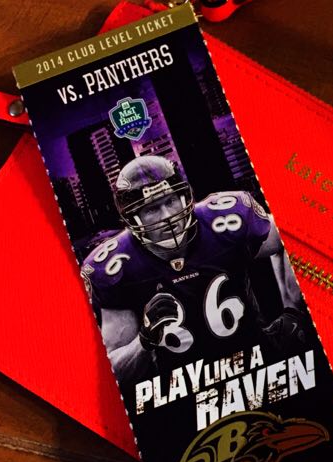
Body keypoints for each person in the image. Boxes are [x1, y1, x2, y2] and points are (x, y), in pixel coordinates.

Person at [81, 155, 305, 383]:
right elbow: (115, 370)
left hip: (258, 364)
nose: (167, 216)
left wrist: (292, 307)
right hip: (182, 384)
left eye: (171, 201)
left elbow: (292, 238)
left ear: (184, 196)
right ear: (132, 218)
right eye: (152, 209)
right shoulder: (115, 265)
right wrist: (144, 340)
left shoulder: (224, 220)